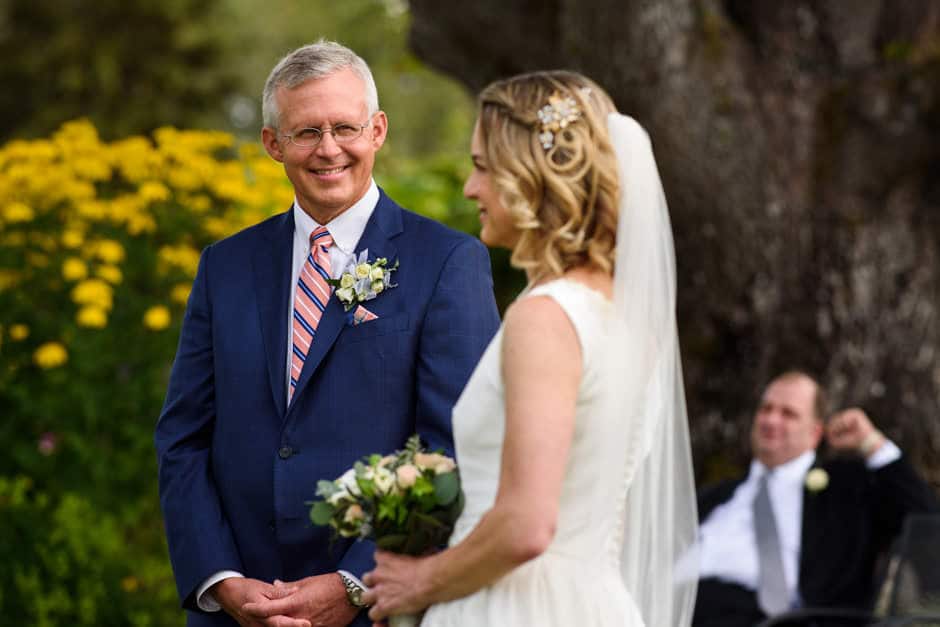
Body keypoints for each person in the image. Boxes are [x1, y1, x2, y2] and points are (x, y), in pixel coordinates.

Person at [154, 40, 500, 627]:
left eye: (346, 127)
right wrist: (223, 582)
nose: (329, 149)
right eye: (306, 132)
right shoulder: (225, 266)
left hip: (377, 608)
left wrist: (355, 583)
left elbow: (457, 448)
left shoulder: (447, 262)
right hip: (239, 611)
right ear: (273, 144)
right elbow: (184, 438)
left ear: (378, 130)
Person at [341, 70, 697, 626]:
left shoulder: (546, 317)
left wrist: (419, 583)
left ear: (530, 176)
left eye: (483, 167)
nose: (469, 188)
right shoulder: (626, 320)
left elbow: (527, 524)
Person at [693, 371, 940, 627]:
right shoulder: (714, 496)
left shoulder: (848, 490)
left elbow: (925, 519)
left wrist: (871, 443)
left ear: (815, 432)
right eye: (766, 409)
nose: (771, 420)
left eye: (788, 413)